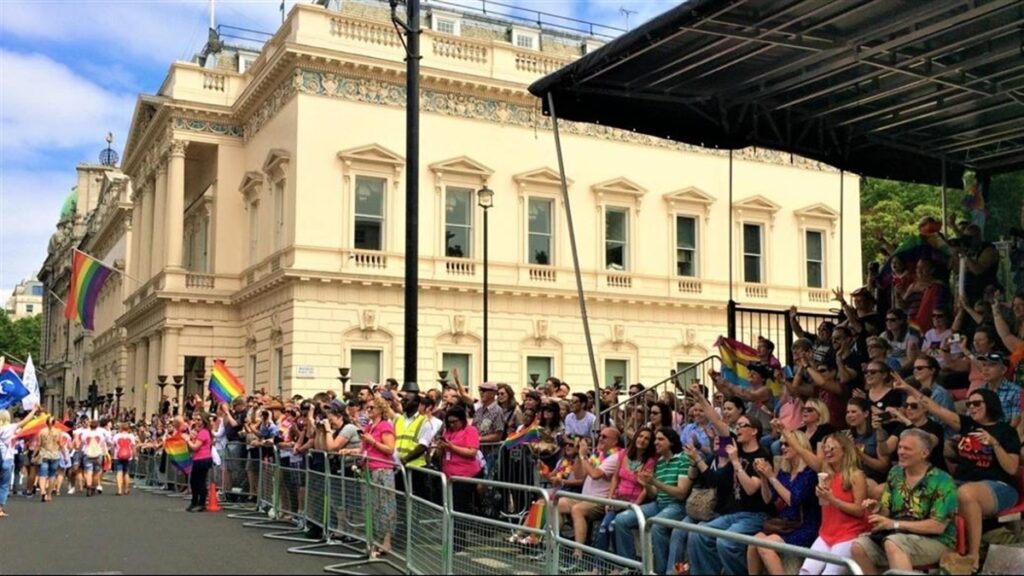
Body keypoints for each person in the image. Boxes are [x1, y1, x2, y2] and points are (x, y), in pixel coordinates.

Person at [900, 383, 1021, 573]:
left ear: (990, 404)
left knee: (965, 494)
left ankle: (973, 555)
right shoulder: (967, 425)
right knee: (923, 486)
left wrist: (994, 444)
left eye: (976, 403)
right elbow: (935, 408)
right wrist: (909, 388)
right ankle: (919, 546)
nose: (971, 407)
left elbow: (1012, 468)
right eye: (969, 404)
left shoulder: (1005, 431)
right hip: (964, 482)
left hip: (999, 486)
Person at [851, 429, 959, 575]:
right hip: (898, 535)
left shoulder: (942, 480)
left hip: (937, 541)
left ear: (924, 453)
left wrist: (895, 524)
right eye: (900, 447)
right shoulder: (895, 473)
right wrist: (876, 508)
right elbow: (887, 511)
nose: (900, 452)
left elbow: (937, 526)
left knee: (893, 543)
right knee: (858, 546)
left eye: (907, 448)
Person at [686, 416, 772, 576]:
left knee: (725, 542)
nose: (737, 428)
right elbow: (715, 479)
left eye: (742, 425)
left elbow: (751, 489)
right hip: (733, 513)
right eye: (736, 425)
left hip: (755, 515)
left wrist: (735, 463)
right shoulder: (736, 451)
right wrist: (697, 458)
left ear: (754, 431)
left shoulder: (762, 454)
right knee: (697, 533)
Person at [613, 427, 691, 575]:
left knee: (656, 525)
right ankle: (631, 568)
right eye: (656, 439)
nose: (656, 442)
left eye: (661, 439)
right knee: (621, 520)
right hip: (659, 504)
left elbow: (681, 493)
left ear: (672, 442)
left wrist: (654, 482)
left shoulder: (683, 459)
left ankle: (660, 572)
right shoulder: (660, 462)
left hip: (677, 506)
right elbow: (654, 493)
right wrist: (646, 483)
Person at [747, 430, 820, 575]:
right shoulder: (785, 471)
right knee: (753, 543)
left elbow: (793, 500)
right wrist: (763, 478)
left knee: (765, 547)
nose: (782, 447)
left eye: (787, 444)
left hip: (804, 525)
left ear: (798, 445)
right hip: (785, 523)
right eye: (781, 444)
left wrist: (771, 477)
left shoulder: (809, 473)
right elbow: (768, 499)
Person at [799, 433, 870, 575]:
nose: (827, 451)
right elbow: (824, 504)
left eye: (832, 448)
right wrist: (822, 495)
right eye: (825, 448)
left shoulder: (856, 475)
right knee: (805, 573)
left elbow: (859, 510)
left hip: (849, 534)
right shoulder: (825, 475)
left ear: (844, 450)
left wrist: (832, 499)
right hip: (826, 533)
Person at [557, 427, 622, 571]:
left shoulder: (615, 457)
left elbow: (595, 474)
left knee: (577, 509)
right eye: (599, 435)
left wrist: (582, 456)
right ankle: (553, 546)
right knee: (557, 503)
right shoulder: (597, 455)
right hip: (584, 497)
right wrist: (580, 454)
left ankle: (578, 554)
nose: (600, 438)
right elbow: (581, 476)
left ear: (615, 441)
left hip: (601, 500)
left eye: (605, 436)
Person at [594, 428, 655, 553]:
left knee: (613, 526)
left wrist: (635, 506)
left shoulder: (650, 461)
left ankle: (620, 565)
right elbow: (615, 477)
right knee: (603, 527)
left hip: (634, 503)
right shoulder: (623, 454)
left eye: (647, 439)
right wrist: (609, 499)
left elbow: (645, 488)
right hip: (618, 500)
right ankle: (598, 566)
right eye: (640, 436)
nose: (642, 440)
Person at [437, 404, 483, 554]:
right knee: (450, 507)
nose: (452, 425)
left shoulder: (470, 431)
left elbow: (471, 452)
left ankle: (459, 540)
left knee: (459, 507)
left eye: (454, 422)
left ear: (462, 420)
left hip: (465, 475)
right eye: (449, 422)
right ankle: (451, 537)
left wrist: (451, 448)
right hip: (449, 475)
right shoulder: (448, 432)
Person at [359, 396, 397, 559]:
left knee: (385, 505)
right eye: (367, 408)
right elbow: (365, 448)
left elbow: (389, 449)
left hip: (382, 469)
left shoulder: (385, 426)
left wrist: (372, 441)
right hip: (368, 468)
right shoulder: (368, 427)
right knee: (371, 505)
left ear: (380, 410)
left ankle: (387, 540)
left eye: (372, 408)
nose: (369, 411)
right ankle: (375, 539)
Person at [185, 412, 214, 512]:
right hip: (198, 459)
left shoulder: (204, 432)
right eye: (196, 419)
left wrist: (188, 440)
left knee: (200, 481)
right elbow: (191, 448)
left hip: (203, 459)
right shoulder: (199, 432)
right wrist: (191, 438)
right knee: (194, 481)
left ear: (204, 421)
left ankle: (201, 503)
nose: (196, 422)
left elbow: (195, 447)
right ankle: (194, 501)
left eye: (199, 420)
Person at [77, 418, 108, 497]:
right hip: (98, 454)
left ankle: (88, 486)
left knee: (88, 471)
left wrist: (80, 451)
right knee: (97, 471)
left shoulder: (85, 434)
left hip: (88, 453)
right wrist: (105, 453)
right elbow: (103, 444)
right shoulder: (100, 434)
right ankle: (94, 486)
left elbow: (82, 444)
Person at [36, 417, 62, 502]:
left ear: (46, 423)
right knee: (52, 475)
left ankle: (43, 491)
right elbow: (60, 444)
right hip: (55, 455)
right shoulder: (58, 432)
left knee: (42, 475)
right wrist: (65, 455)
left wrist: (34, 454)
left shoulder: (41, 432)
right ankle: (49, 494)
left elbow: (38, 444)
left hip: (44, 454)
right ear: (54, 423)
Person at [111, 422, 137, 496]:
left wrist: (112, 455)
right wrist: (134, 456)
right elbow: (133, 447)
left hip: (118, 456)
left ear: (121, 428)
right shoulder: (131, 436)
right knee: (126, 472)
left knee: (119, 472)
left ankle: (119, 490)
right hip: (128, 456)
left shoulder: (116, 436)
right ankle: (126, 489)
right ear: (128, 429)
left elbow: (113, 447)